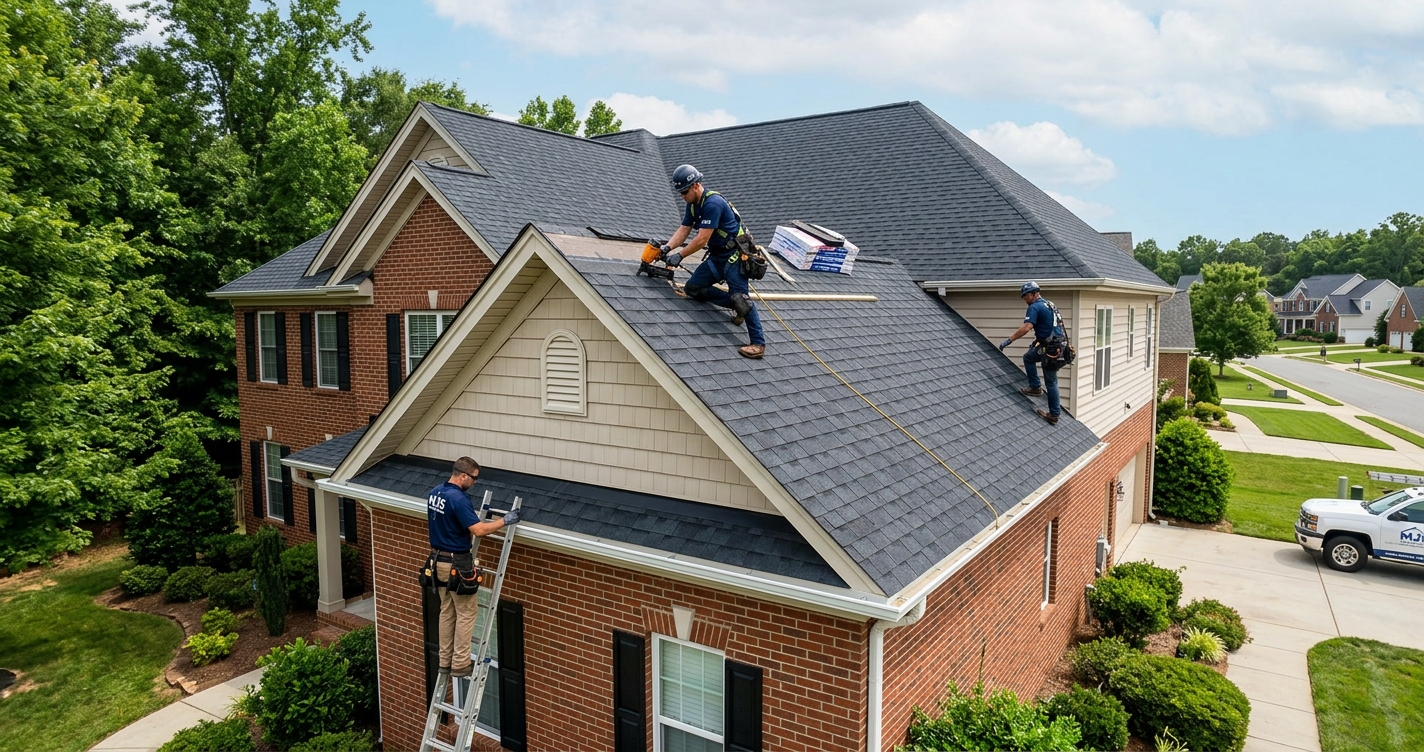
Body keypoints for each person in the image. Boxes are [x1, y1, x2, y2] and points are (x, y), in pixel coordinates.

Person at [659, 164, 767, 359]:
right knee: (693, 288)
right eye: (680, 192)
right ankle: (734, 305)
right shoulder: (692, 205)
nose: (682, 196)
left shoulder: (712, 204)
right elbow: (684, 228)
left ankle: (758, 344)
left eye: (684, 191)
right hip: (717, 257)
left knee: (741, 298)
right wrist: (667, 248)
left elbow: (702, 239)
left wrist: (680, 255)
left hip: (734, 257)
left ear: (696, 185)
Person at [427, 456, 521, 678]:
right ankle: (460, 664)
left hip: (437, 561)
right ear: (463, 476)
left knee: (447, 611)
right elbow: (478, 530)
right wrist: (506, 520)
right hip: (457, 563)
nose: (475, 482)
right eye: (474, 478)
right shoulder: (458, 499)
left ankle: (444, 661)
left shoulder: (435, 492)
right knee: (467, 613)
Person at [999, 281, 1063, 425]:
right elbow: (1051, 327)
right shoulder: (1050, 305)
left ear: (1033, 294)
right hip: (1057, 345)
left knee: (1051, 382)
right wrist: (1038, 342)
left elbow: (1027, 327)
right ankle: (1035, 387)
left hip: (1050, 349)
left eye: (1025, 296)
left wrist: (1009, 341)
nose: (1024, 300)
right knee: (1029, 357)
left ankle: (1053, 414)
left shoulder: (1034, 307)